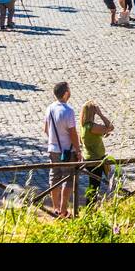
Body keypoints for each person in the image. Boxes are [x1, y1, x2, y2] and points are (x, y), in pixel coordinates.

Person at [44, 81, 80, 218]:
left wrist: (54, 141)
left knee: (54, 178)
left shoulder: (49, 109)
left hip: (53, 149)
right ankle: (64, 210)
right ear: (65, 93)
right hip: (67, 151)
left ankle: (55, 208)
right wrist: (78, 150)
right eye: (69, 90)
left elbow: (46, 129)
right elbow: (73, 133)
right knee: (68, 179)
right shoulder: (68, 111)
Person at [80, 101, 114, 203]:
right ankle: (89, 210)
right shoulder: (92, 127)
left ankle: (90, 208)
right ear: (92, 112)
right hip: (96, 159)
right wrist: (101, 114)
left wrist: (101, 133)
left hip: (88, 158)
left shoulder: (83, 126)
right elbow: (111, 127)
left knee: (95, 185)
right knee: (95, 186)